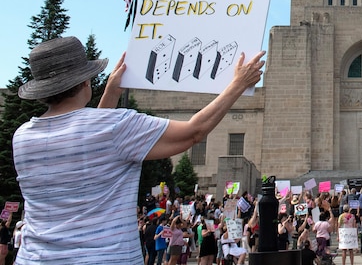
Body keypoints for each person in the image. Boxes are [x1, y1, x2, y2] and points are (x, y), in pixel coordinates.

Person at [12, 35, 265, 264]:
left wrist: (110, 93)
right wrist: (238, 84)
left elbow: (88, 144)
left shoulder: (22, 136)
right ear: (86, 81)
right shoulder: (115, 126)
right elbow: (193, 132)